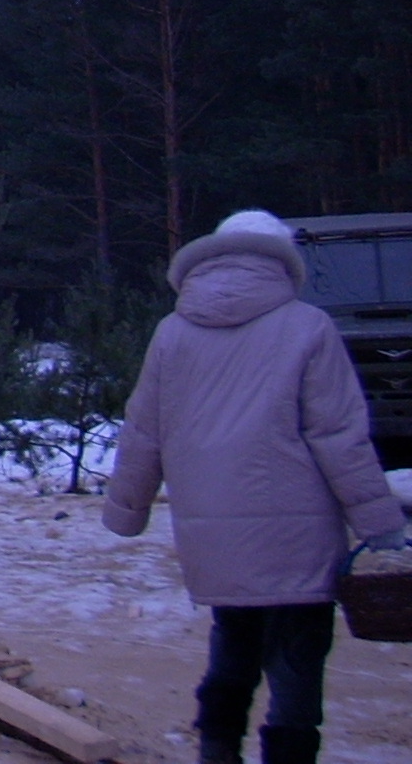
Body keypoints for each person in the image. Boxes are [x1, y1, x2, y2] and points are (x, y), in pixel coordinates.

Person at [104, 208, 408, 764]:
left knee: (233, 645)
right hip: (300, 533)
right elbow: (339, 435)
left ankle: (217, 753)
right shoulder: (307, 326)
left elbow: (144, 429)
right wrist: (379, 522)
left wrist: (127, 509)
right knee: (297, 664)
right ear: (284, 261)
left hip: (214, 536)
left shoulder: (173, 334)